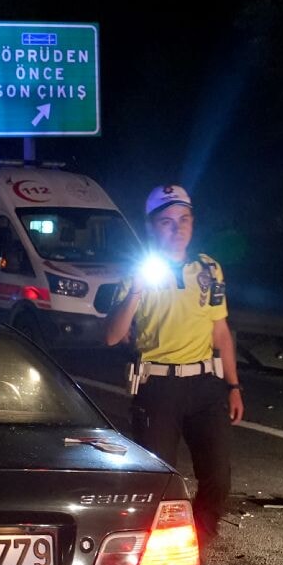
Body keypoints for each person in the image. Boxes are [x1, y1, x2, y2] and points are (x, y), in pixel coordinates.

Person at [104, 184, 243, 543]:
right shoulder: (135, 271)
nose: (176, 228)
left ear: (193, 223)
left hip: (205, 385)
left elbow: (220, 331)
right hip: (158, 385)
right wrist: (137, 288)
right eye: (166, 221)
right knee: (159, 478)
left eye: (183, 219)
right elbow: (113, 336)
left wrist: (233, 385)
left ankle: (198, 541)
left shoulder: (209, 270)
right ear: (151, 227)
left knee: (218, 478)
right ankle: (160, 549)